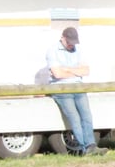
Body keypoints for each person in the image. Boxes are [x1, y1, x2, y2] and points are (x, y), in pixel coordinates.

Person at [46, 27, 107, 156]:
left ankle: (91, 146)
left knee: (87, 116)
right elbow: (57, 74)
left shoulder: (78, 49)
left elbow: (86, 71)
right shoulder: (52, 51)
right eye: (69, 42)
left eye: (73, 42)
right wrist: (76, 71)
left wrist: (67, 69)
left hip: (78, 87)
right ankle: (86, 148)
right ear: (62, 38)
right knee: (75, 118)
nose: (71, 45)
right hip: (61, 89)